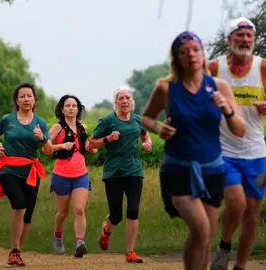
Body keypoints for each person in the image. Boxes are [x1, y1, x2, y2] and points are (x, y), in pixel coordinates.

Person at [141, 31, 246, 270]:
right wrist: (159, 128)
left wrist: (227, 109)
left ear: (203, 53)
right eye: (184, 51)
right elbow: (146, 118)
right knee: (201, 228)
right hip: (178, 167)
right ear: (177, 58)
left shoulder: (219, 87)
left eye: (195, 50)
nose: (191, 55)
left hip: (212, 169)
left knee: (205, 238)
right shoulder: (166, 88)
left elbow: (240, 130)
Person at [208, 18, 266, 270]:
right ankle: (224, 246)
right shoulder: (214, 67)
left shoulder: (263, 67)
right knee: (235, 202)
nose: (245, 40)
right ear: (229, 39)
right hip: (223, 151)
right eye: (239, 35)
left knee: (252, 215)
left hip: (256, 152)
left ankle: (241, 265)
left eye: (249, 35)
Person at [0, 82, 53, 267]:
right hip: (9, 169)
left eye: (29, 96)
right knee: (19, 206)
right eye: (22, 96)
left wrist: (42, 138)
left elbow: (49, 150)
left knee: (28, 214)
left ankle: (16, 250)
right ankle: (15, 250)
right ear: (17, 100)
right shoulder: (8, 119)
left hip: (31, 171)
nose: (26, 99)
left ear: (34, 100)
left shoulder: (40, 123)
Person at [88, 87, 152, 263]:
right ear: (115, 102)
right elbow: (90, 144)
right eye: (121, 98)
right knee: (116, 215)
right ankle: (106, 230)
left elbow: (146, 137)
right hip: (113, 172)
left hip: (134, 171)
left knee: (133, 210)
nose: (125, 101)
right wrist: (107, 139)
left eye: (127, 98)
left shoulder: (137, 120)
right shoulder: (107, 121)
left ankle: (130, 252)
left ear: (131, 102)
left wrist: (147, 144)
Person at [47, 94, 96, 258]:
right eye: (67, 106)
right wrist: (60, 145)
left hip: (81, 173)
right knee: (63, 213)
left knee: (80, 209)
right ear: (62, 109)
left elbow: (86, 146)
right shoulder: (57, 128)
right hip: (61, 174)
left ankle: (79, 243)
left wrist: (93, 147)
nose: (71, 108)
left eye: (74, 106)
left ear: (78, 109)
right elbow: (45, 149)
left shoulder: (83, 128)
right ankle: (58, 236)